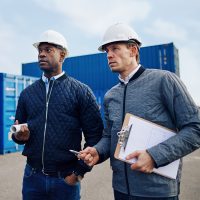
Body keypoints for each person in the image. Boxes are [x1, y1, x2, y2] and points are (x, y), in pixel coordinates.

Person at [80, 23, 200, 200]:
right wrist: (97, 151)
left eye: (115, 48)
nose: (109, 55)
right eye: (106, 51)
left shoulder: (164, 81)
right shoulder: (111, 96)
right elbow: (110, 136)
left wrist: (154, 156)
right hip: (121, 190)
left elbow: (195, 128)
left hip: (158, 192)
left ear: (133, 50)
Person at [12, 29, 103, 200]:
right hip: (32, 177)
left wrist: (78, 173)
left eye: (48, 50)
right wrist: (19, 136)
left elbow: (95, 137)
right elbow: (17, 132)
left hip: (65, 179)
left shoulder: (81, 92)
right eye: (40, 50)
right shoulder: (27, 93)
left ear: (62, 56)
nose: (41, 54)